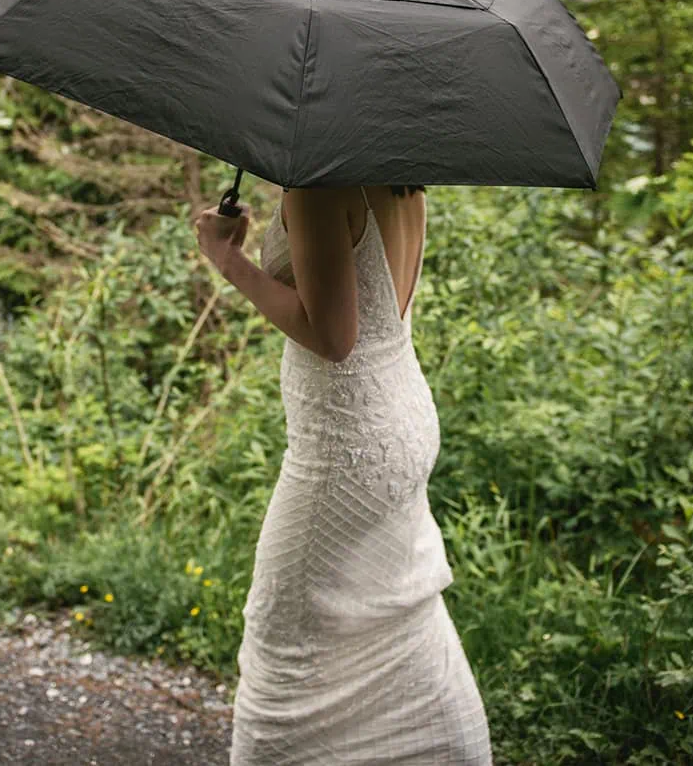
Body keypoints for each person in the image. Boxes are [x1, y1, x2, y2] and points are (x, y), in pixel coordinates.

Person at [193, 184, 492, 765]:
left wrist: (228, 258)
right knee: (393, 607)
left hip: (347, 445)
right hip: (400, 416)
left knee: (285, 633)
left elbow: (333, 338)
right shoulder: (403, 176)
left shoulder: (319, 185)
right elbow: (350, 301)